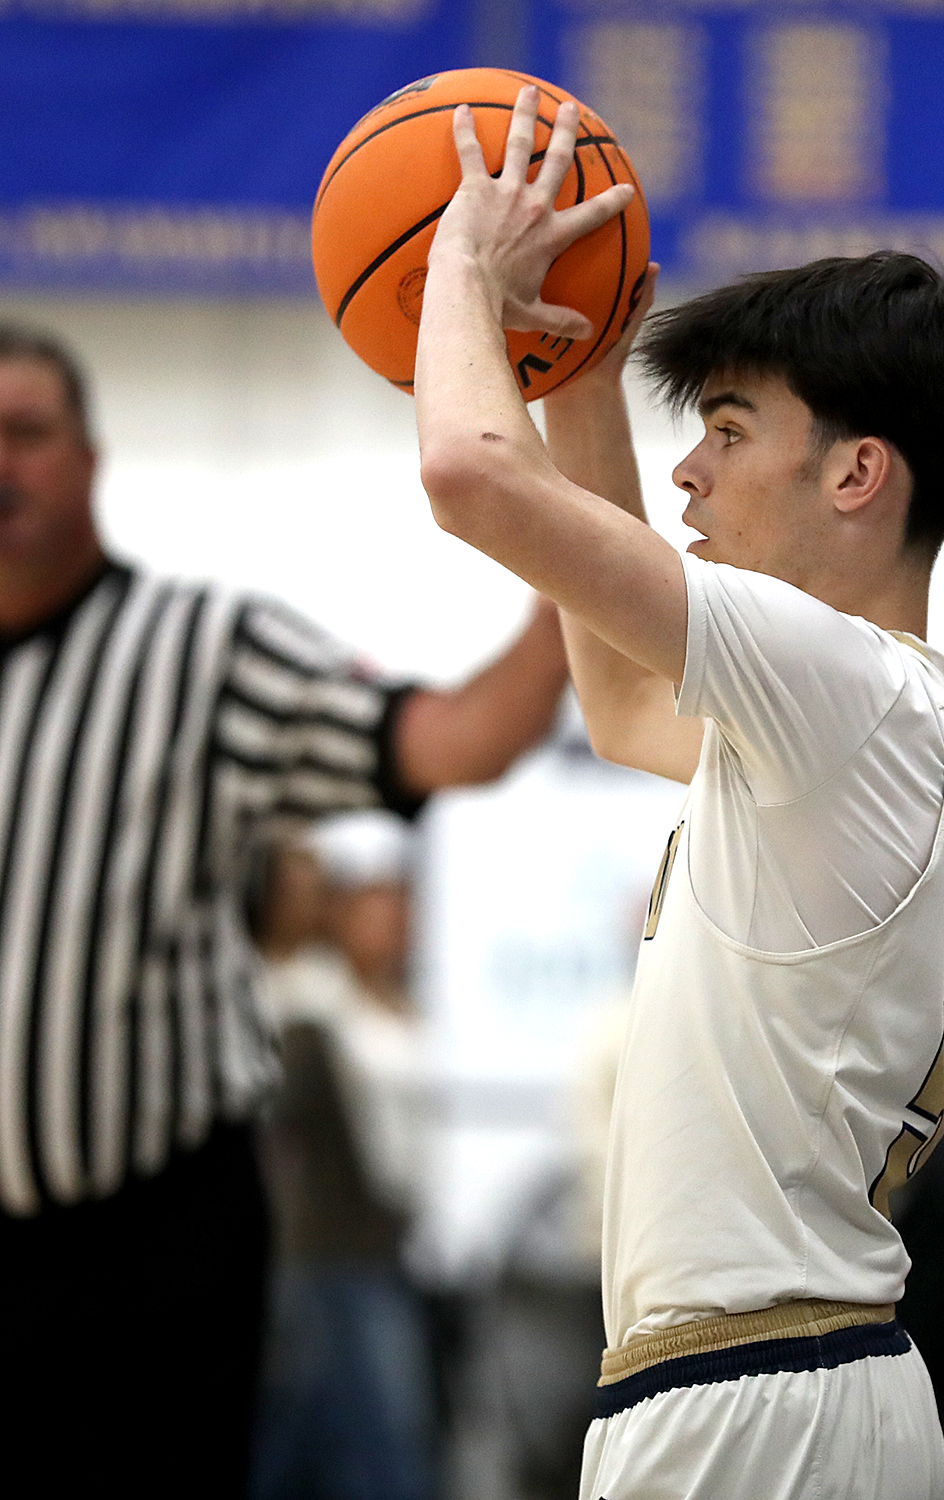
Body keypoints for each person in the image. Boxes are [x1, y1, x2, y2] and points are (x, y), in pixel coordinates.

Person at [410, 89, 944, 1498]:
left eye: (733, 433)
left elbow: (465, 471)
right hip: (819, 1380)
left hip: (752, 1407)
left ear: (858, 473)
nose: (689, 471)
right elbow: (624, 702)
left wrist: (464, 262)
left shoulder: (839, 679)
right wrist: (578, 378)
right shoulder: (894, 714)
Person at [0, 322, 568, 1496]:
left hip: (144, 1239)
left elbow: (460, 740)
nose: (1, 466)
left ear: (91, 459)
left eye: (26, 433)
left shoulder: (201, 650)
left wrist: (576, 547)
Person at [253, 812, 439, 1500]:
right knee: (378, 1449)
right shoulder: (307, 1001)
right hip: (330, 1256)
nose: (393, 918)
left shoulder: (400, 1004)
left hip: (388, 1250)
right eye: (375, 901)